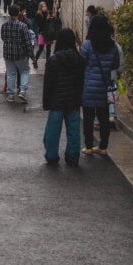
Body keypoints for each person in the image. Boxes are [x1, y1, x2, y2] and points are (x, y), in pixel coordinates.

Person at [42, 28, 86, 166]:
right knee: (73, 129)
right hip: (73, 99)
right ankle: (72, 156)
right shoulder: (79, 59)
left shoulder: (53, 60)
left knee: (53, 130)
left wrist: (46, 101)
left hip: (56, 99)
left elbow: (48, 83)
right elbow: (81, 81)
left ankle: (51, 155)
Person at [80, 14, 119, 156]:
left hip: (88, 87)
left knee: (88, 118)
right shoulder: (113, 46)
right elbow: (115, 65)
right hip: (104, 88)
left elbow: (81, 63)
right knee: (103, 118)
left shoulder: (87, 45)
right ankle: (103, 146)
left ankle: (89, 146)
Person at [0, 3, 34, 103]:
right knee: (24, 71)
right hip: (21, 54)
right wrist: (32, 56)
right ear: (18, 13)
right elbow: (28, 42)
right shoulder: (23, 26)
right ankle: (22, 91)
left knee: (11, 73)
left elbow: (3, 38)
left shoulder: (4, 25)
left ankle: (11, 95)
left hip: (8, 53)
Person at [32, 1, 51, 68]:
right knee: (41, 48)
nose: (45, 7)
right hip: (42, 33)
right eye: (43, 6)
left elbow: (49, 23)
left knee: (48, 48)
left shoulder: (47, 13)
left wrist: (50, 19)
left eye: (45, 6)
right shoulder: (38, 14)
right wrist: (47, 19)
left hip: (48, 33)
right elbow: (40, 24)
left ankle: (48, 62)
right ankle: (35, 61)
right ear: (40, 7)